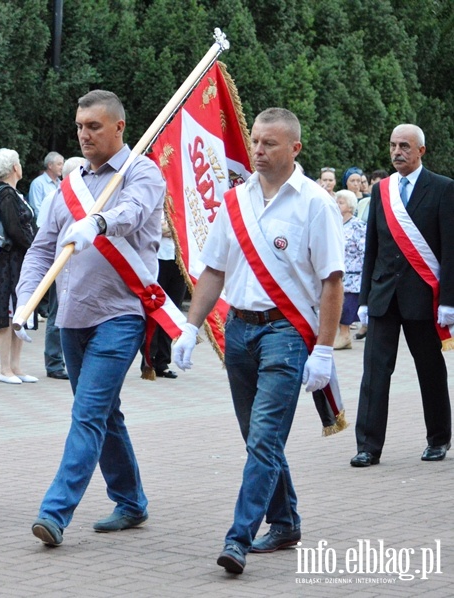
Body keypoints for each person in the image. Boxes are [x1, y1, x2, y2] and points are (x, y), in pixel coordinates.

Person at [173, 108, 344, 574]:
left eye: (269, 143)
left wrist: (325, 349)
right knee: (257, 439)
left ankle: (238, 538)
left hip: (287, 334)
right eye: (254, 142)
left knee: (266, 439)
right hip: (240, 330)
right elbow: (214, 269)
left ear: (295, 149)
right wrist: (190, 326)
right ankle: (285, 521)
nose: (258, 151)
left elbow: (332, 282)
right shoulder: (236, 201)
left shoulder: (314, 203)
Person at [17, 90, 164, 547]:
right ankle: (132, 500)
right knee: (104, 414)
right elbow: (42, 248)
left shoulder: (142, 171)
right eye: (80, 127)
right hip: (72, 317)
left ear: (119, 127)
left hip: (120, 315)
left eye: (94, 127)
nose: (84, 135)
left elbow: (135, 212)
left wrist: (98, 223)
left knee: (87, 414)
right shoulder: (70, 181)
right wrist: (24, 302)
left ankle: (55, 512)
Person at [351, 124, 454, 467]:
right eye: (394, 145)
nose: (398, 152)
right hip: (383, 296)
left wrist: (450, 301)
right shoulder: (382, 191)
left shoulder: (442, 189)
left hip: (424, 297)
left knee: (430, 370)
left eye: (405, 146)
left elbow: (451, 251)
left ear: (421, 151)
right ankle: (367, 446)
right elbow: (372, 250)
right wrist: (364, 298)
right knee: (375, 372)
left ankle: (438, 439)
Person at [0, 148, 38, 384]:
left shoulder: (15, 194)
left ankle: (16, 366)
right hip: (9, 262)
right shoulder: (6, 195)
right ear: (14, 168)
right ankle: (4, 368)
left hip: (19, 260)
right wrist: (35, 246)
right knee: (8, 314)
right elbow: (14, 228)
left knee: (20, 312)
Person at [39, 156, 85, 381]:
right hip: (61, 266)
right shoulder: (55, 197)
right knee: (58, 314)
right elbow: (44, 234)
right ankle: (54, 361)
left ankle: (66, 358)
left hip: (79, 267)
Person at [140, 213, 187, 378]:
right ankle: (148, 358)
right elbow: (152, 226)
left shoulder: (181, 199)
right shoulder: (156, 197)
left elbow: (183, 226)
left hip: (179, 259)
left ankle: (163, 360)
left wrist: (172, 227)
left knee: (173, 309)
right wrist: (169, 227)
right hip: (157, 258)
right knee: (155, 308)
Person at [334, 190, 366, 350]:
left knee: (346, 307)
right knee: (337, 305)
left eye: (341, 202)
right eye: (337, 201)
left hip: (354, 276)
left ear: (350, 206)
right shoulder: (334, 223)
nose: (337, 205)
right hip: (337, 273)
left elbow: (364, 251)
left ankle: (345, 335)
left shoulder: (357, 225)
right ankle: (343, 334)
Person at [28, 151, 64, 219]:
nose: (62, 167)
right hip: (44, 227)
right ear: (50, 165)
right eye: (59, 164)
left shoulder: (61, 184)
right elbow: (36, 209)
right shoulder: (38, 183)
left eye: (63, 164)